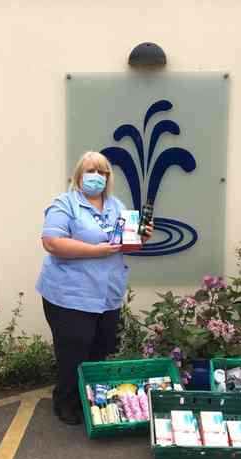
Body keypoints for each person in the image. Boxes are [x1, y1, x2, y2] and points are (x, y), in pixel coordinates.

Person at [36, 151, 153, 425]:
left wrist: (142, 237)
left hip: (107, 294)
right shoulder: (65, 205)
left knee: (99, 348)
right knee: (73, 350)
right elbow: (51, 241)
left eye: (102, 172)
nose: (97, 177)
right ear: (79, 175)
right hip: (69, 295)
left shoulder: (116, 206)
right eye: (91, 171)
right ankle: (65, 402)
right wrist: (94, 251)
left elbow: (125, 244)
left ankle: (89, 400)